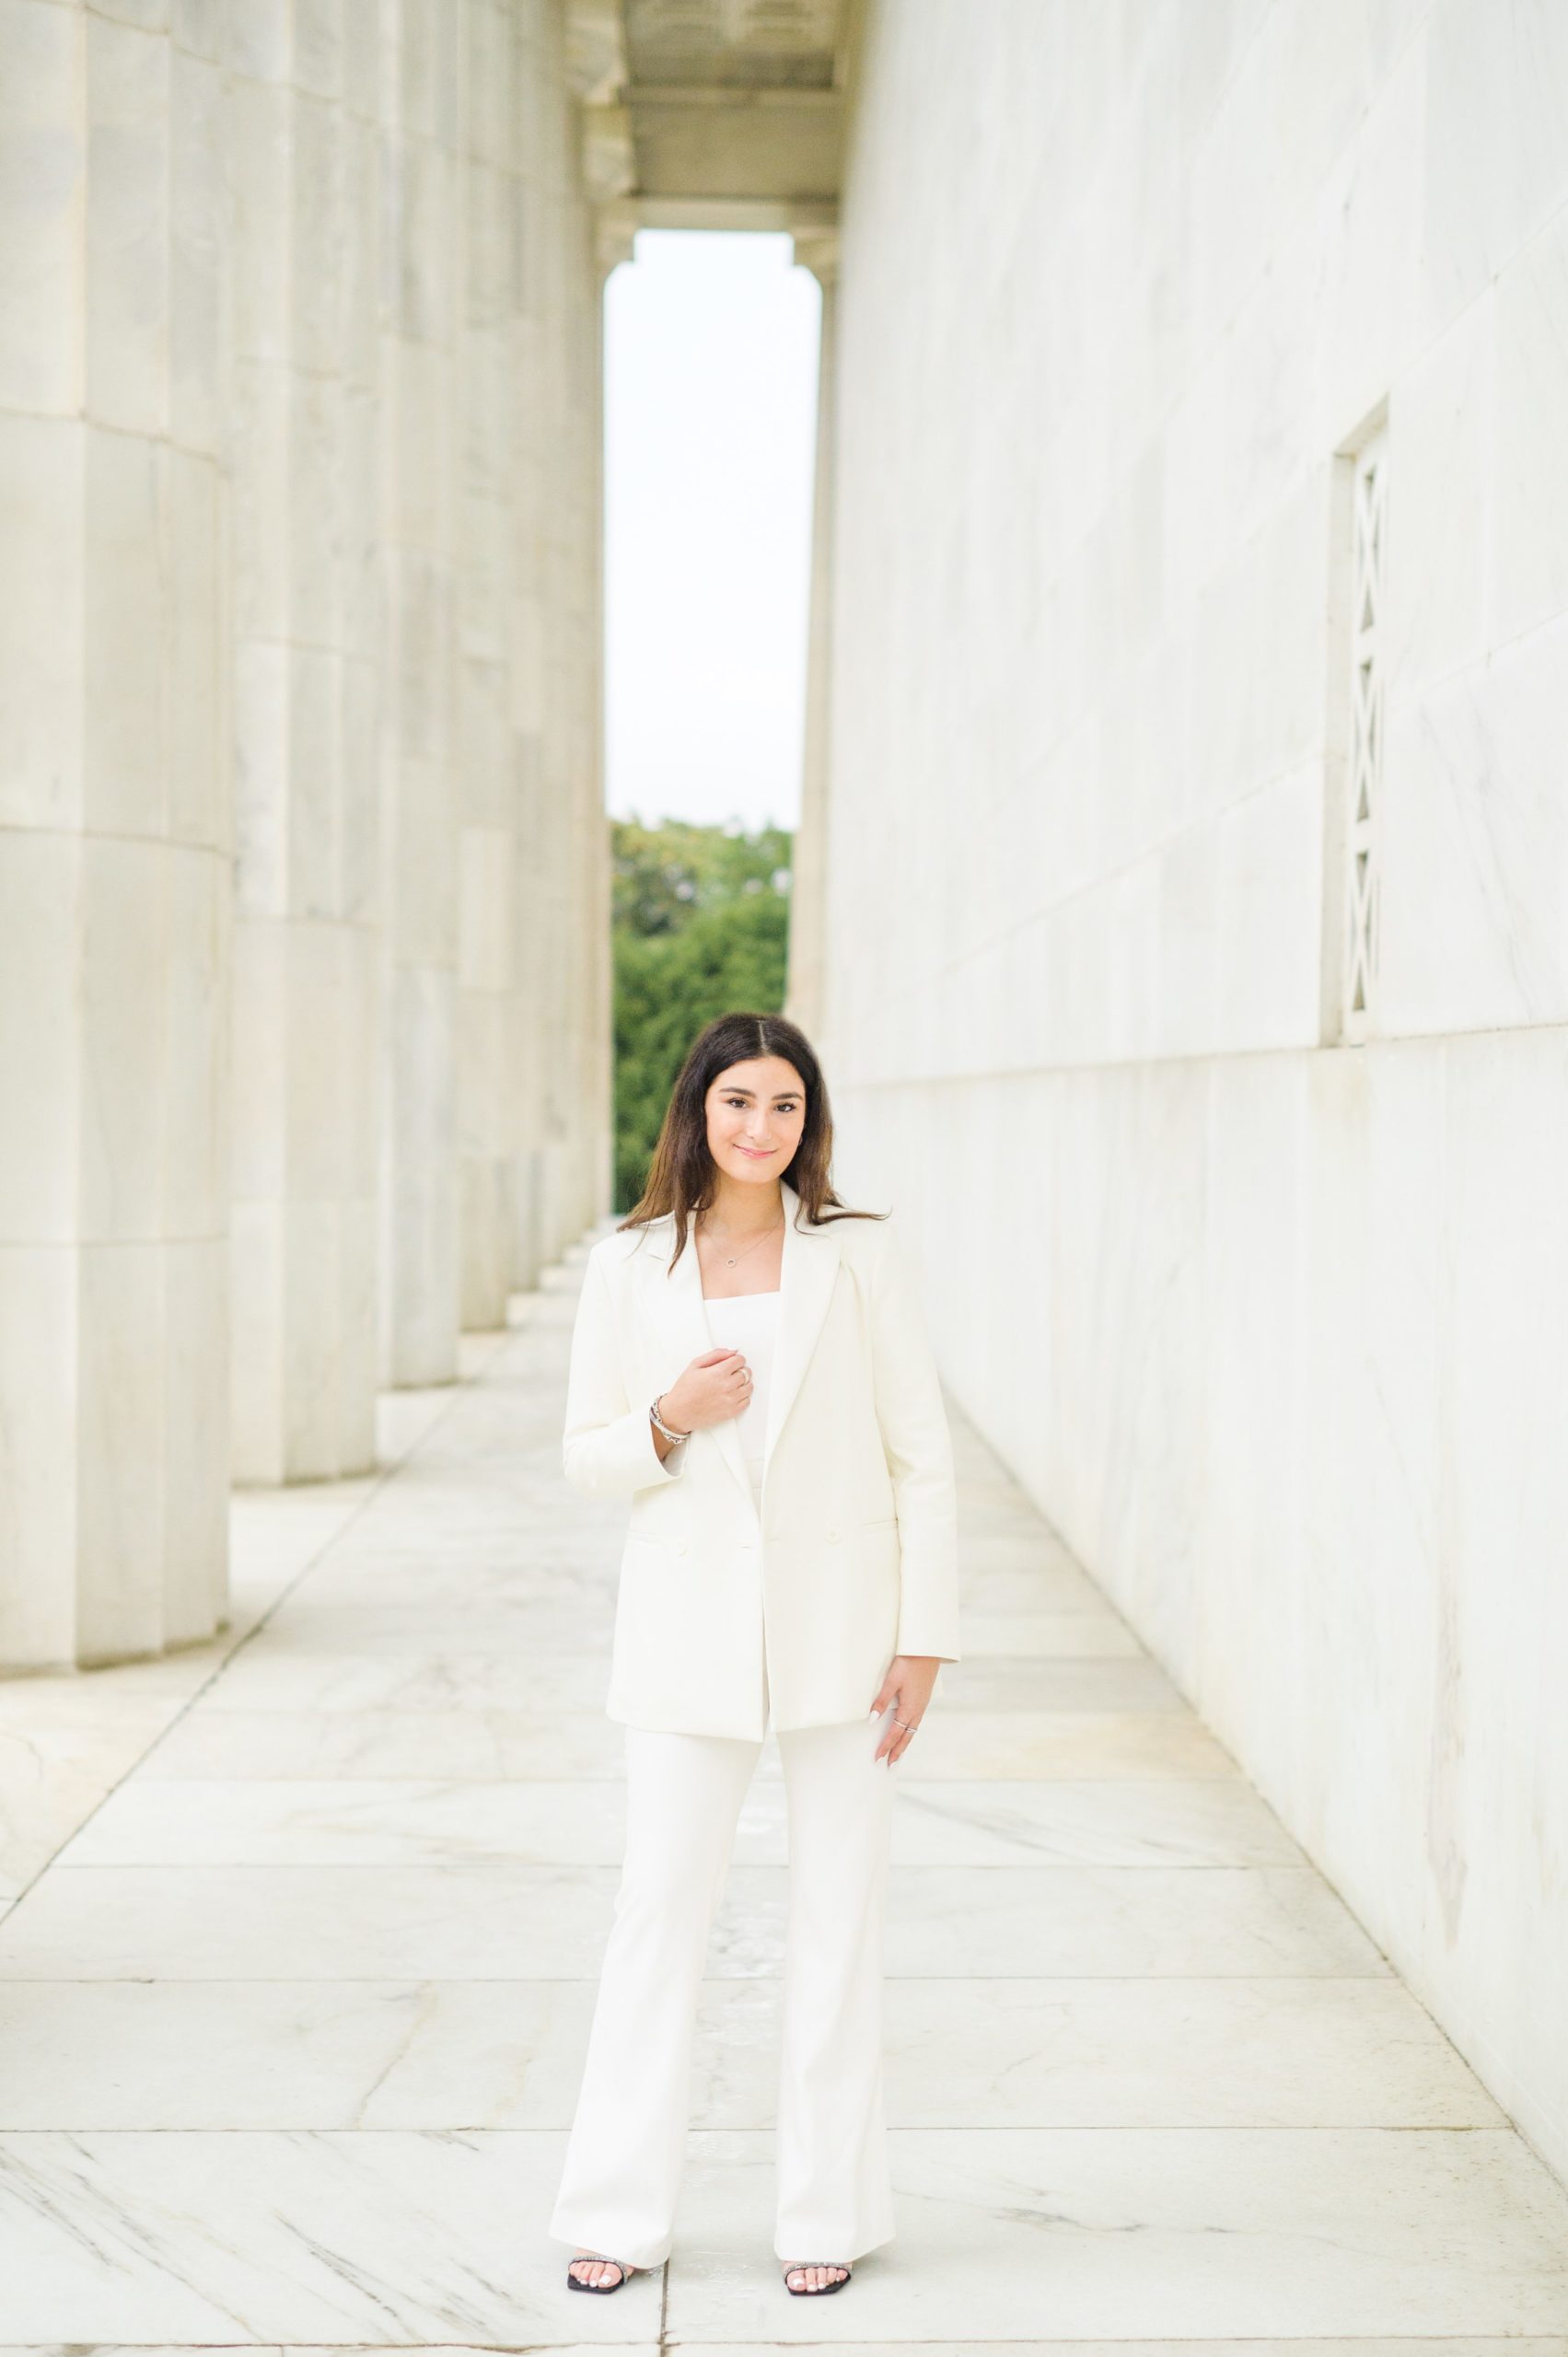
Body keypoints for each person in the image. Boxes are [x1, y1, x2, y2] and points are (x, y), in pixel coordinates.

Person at [548, 1010, 962, 2300]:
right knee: (658, 1916)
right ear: (698, 1111)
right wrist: (668, 1417)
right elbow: (583, 1454)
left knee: (838, 1919)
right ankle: (618, 2212)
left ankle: (823, 2212)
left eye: (785, 1106)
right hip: (685, 1641)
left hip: (844, 1632)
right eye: (739, 1103)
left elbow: (921, 1455)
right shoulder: (631, 1266)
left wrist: (925, 1638)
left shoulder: (859, 1256)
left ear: (809, 1122)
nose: (760, 1128)